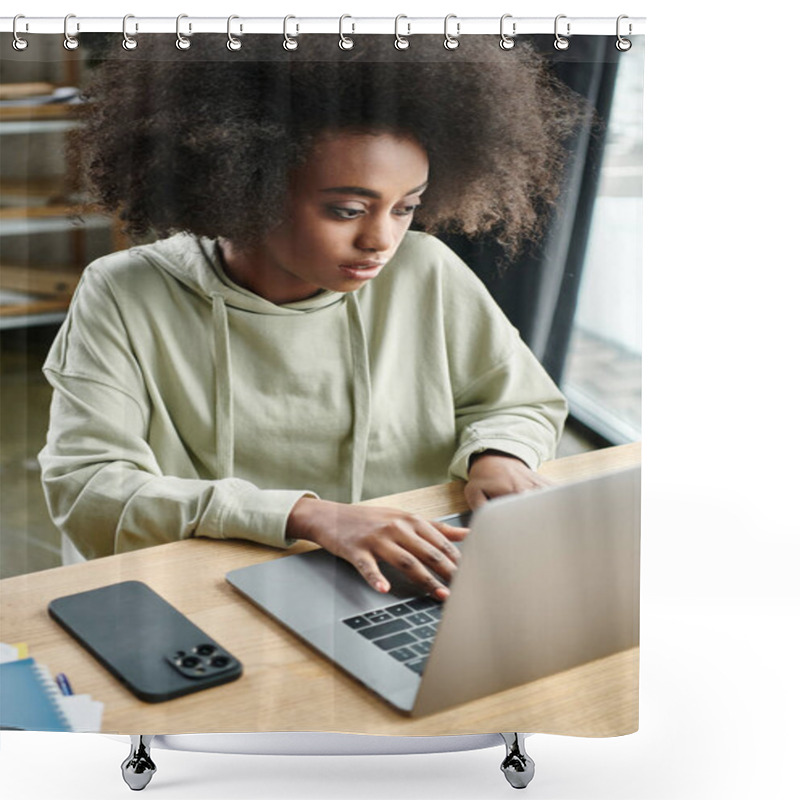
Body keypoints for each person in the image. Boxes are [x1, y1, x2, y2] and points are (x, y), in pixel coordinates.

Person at [39, 34, 582, 600]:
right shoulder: (125, 292)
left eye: (406, 207)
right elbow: (89, 487)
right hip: (216, 589)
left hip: (415, 579)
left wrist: (498, 454)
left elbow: (518, 401)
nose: (382, 239)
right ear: (247, 188)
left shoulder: (427, 271)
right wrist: (307, 516)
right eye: (347, 210)